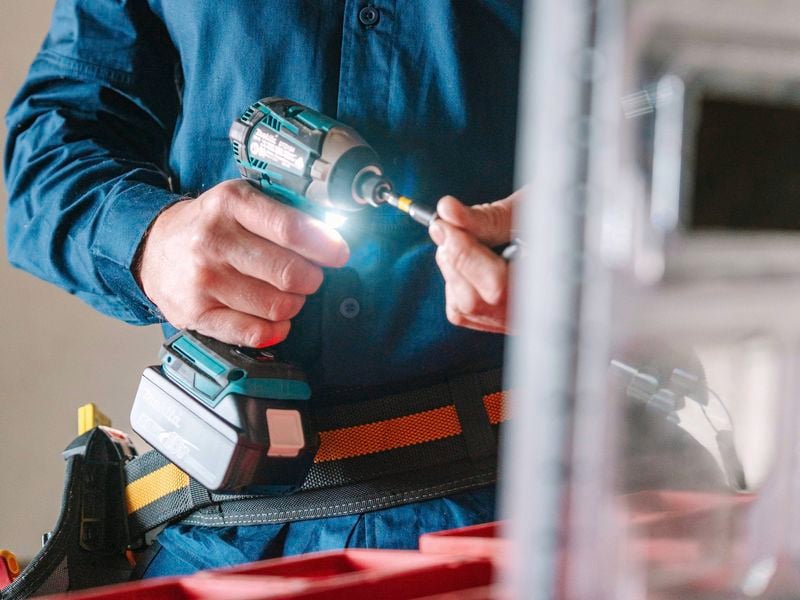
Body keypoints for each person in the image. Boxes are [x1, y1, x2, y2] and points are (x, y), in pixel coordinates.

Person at [4, 1, 522, 577]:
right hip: (223, 531)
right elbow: (46, 156)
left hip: (517, 505)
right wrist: (150, 240)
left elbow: (639, 107)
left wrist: (595, 223)